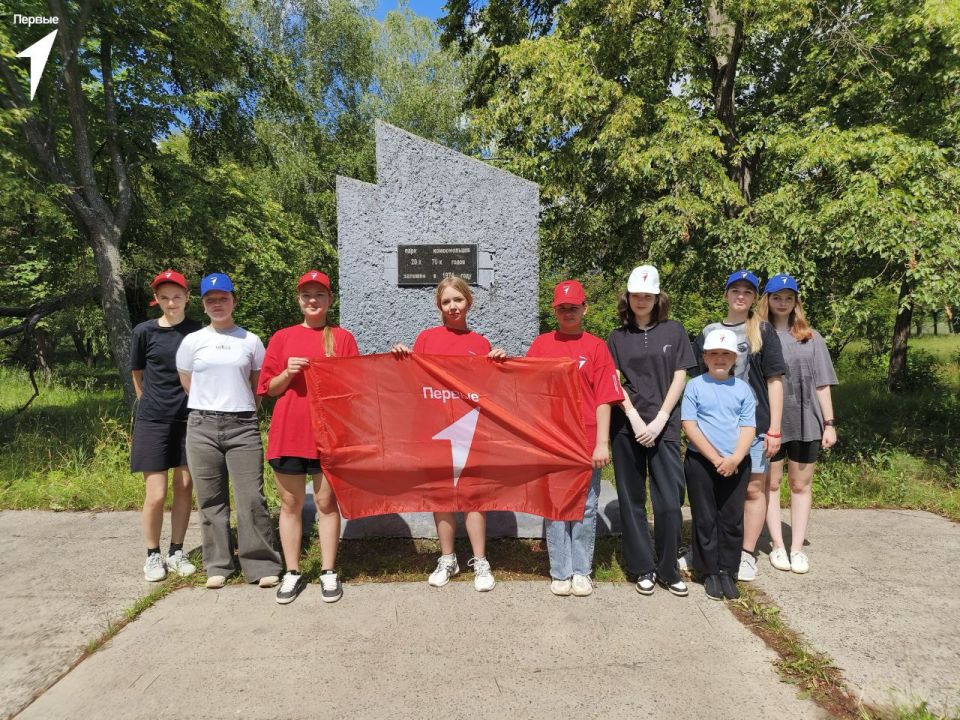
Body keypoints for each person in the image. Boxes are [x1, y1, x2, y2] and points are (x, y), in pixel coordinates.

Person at [391, 275, 506, 592]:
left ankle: (480, 561)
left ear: (469, 301)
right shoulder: (426, 339)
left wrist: (498, 364)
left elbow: (489, 390)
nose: (453, 306)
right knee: (441, 495)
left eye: (458, 299)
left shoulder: (480, 343)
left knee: (473, 496)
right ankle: (447, 558)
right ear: (438, 306)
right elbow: (414, 382)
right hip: (436, 428)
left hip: (471, 429)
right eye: (446, 301)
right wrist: (401, 359)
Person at [176, 272, 282, 590]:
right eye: (211, 300)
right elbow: (187, 382)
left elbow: (257, 385)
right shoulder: (192, 341)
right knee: (211, 500)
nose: (217, 304)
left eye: (223, 298)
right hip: (202, 426)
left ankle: (261, 563)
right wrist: (210, 404)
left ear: (234, 301)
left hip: (242, 426)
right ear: (203, 305)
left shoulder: (250, 341)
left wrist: (241, 407)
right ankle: (218, 564)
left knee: (251, 498)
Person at [258, 270, 359, 604]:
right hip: (289, 434)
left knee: (327, 503)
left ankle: (328, 571)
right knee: (290, 504)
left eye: (319, 294)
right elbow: (268, 389)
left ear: (330, 300)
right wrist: (288, 372)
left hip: (327, 435)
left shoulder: (342, 338)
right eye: (306, 295)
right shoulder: (282, 337)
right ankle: (292, 571)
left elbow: (352, 389)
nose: (313, 300)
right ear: (298, 300)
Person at [525, 280, 623, 597]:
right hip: (553, 440)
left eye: (574, 307)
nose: (568, 312)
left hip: (586, 439)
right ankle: (560, 571)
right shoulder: (541, 345)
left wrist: (602, 442)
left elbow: (605, 398)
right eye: (562, 308)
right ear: (555, 311)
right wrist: (497, 360)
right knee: (555, 506)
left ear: (585, 309)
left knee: (586, 506)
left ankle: (581, 570)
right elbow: (523, 385)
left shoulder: (596, 347)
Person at [690, 270, 786, 582]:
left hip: (754, 427)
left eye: (747, 291)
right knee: (710, 492)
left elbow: (775, 380)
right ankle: (706, 550)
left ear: (755, 298)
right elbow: (694, 377)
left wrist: (774, 428)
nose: (741, 296)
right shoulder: (709, 331)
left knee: (754, 488)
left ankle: (745, 553)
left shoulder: (763, 331)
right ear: (726, 295)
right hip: (712, 428)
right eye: (735, 290)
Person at [607, 265, 697, 597]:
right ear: (627, 298)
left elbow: (680, 376)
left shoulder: (674, 331)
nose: (641, 300)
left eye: (647, 295)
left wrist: (660, 418)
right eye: (636, 295)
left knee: (670, 500)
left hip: (664, 426)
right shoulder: (617, 337)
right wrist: (632, 416)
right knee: (632, 499)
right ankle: (642, 567)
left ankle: (668, 568)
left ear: (658, 298)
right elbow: (613, 381)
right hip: (627, 427)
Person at [757, 274, 838, 574]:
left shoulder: (811, 337)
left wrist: (829, 423)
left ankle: (797, 549)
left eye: (788, 298)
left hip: (807, 421)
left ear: (796, 302)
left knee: (800, 485)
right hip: (772, 423)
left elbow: (822, 383)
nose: (782, 302)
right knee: (771, 484)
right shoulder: (758, 335)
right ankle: (778, 545)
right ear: (767, 300)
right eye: (777, 297)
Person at [130, 270, 203, 581]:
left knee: (184, 487)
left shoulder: (199, 331)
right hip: (153, 420)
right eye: (165, 298)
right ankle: (152, 554)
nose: (171, 303)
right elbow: (137, 374)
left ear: (187, 297)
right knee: (157, 494)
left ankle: (176, 550)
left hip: (189, 419)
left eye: (176, 296)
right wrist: (149, 403)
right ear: (156, 300)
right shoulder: (144, 331)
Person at [681, 328, 756, 600]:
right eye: (714, 353)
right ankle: (709, 570)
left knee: (731, 518)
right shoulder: (694, 386)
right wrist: (715, 459)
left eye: (726, 354)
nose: (720, 358)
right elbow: (689, 424)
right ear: (704, 357)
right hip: (702, 462)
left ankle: (727, 569)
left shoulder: (743, 389)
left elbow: (748, 426)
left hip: (736, 462)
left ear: (735, 358)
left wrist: (735, 458)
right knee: (705, 517)